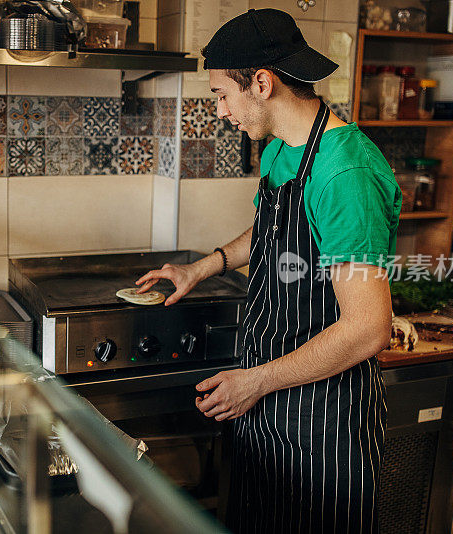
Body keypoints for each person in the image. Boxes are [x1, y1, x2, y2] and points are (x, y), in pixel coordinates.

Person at [135, 8, 401, 534]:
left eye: (220, 95)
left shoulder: (344, 173)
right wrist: (201, 269)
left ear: (261, 83)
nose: (221, 110)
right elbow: (270, 233)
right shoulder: (282, 149)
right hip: (269, 406)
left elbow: (368, 329)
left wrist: (255, 382)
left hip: (326, 422)